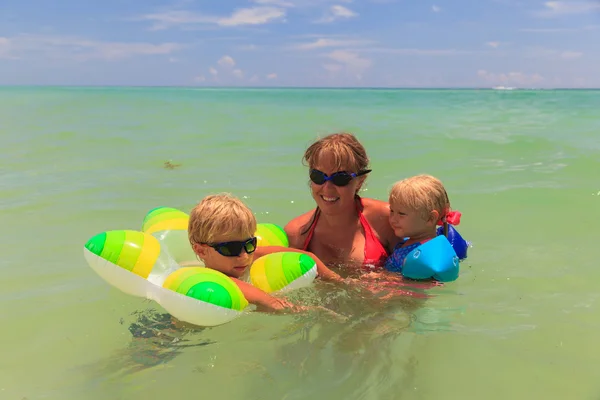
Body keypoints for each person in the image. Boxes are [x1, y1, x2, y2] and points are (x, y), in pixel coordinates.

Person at [188, 193, 343, 313]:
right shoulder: (210, 278)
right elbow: (266, 302)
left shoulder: (251, 256)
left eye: (249, 244)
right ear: (201, 250)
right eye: (231, 248)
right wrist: (303, 310)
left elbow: (307, 257)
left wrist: (338, 280)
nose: (243, 256)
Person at [284, 132, 396, 272]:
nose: (327, 187)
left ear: (360, 181)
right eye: (318, 176)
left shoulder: (386, 219)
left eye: (340, 178)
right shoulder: (297, 233)